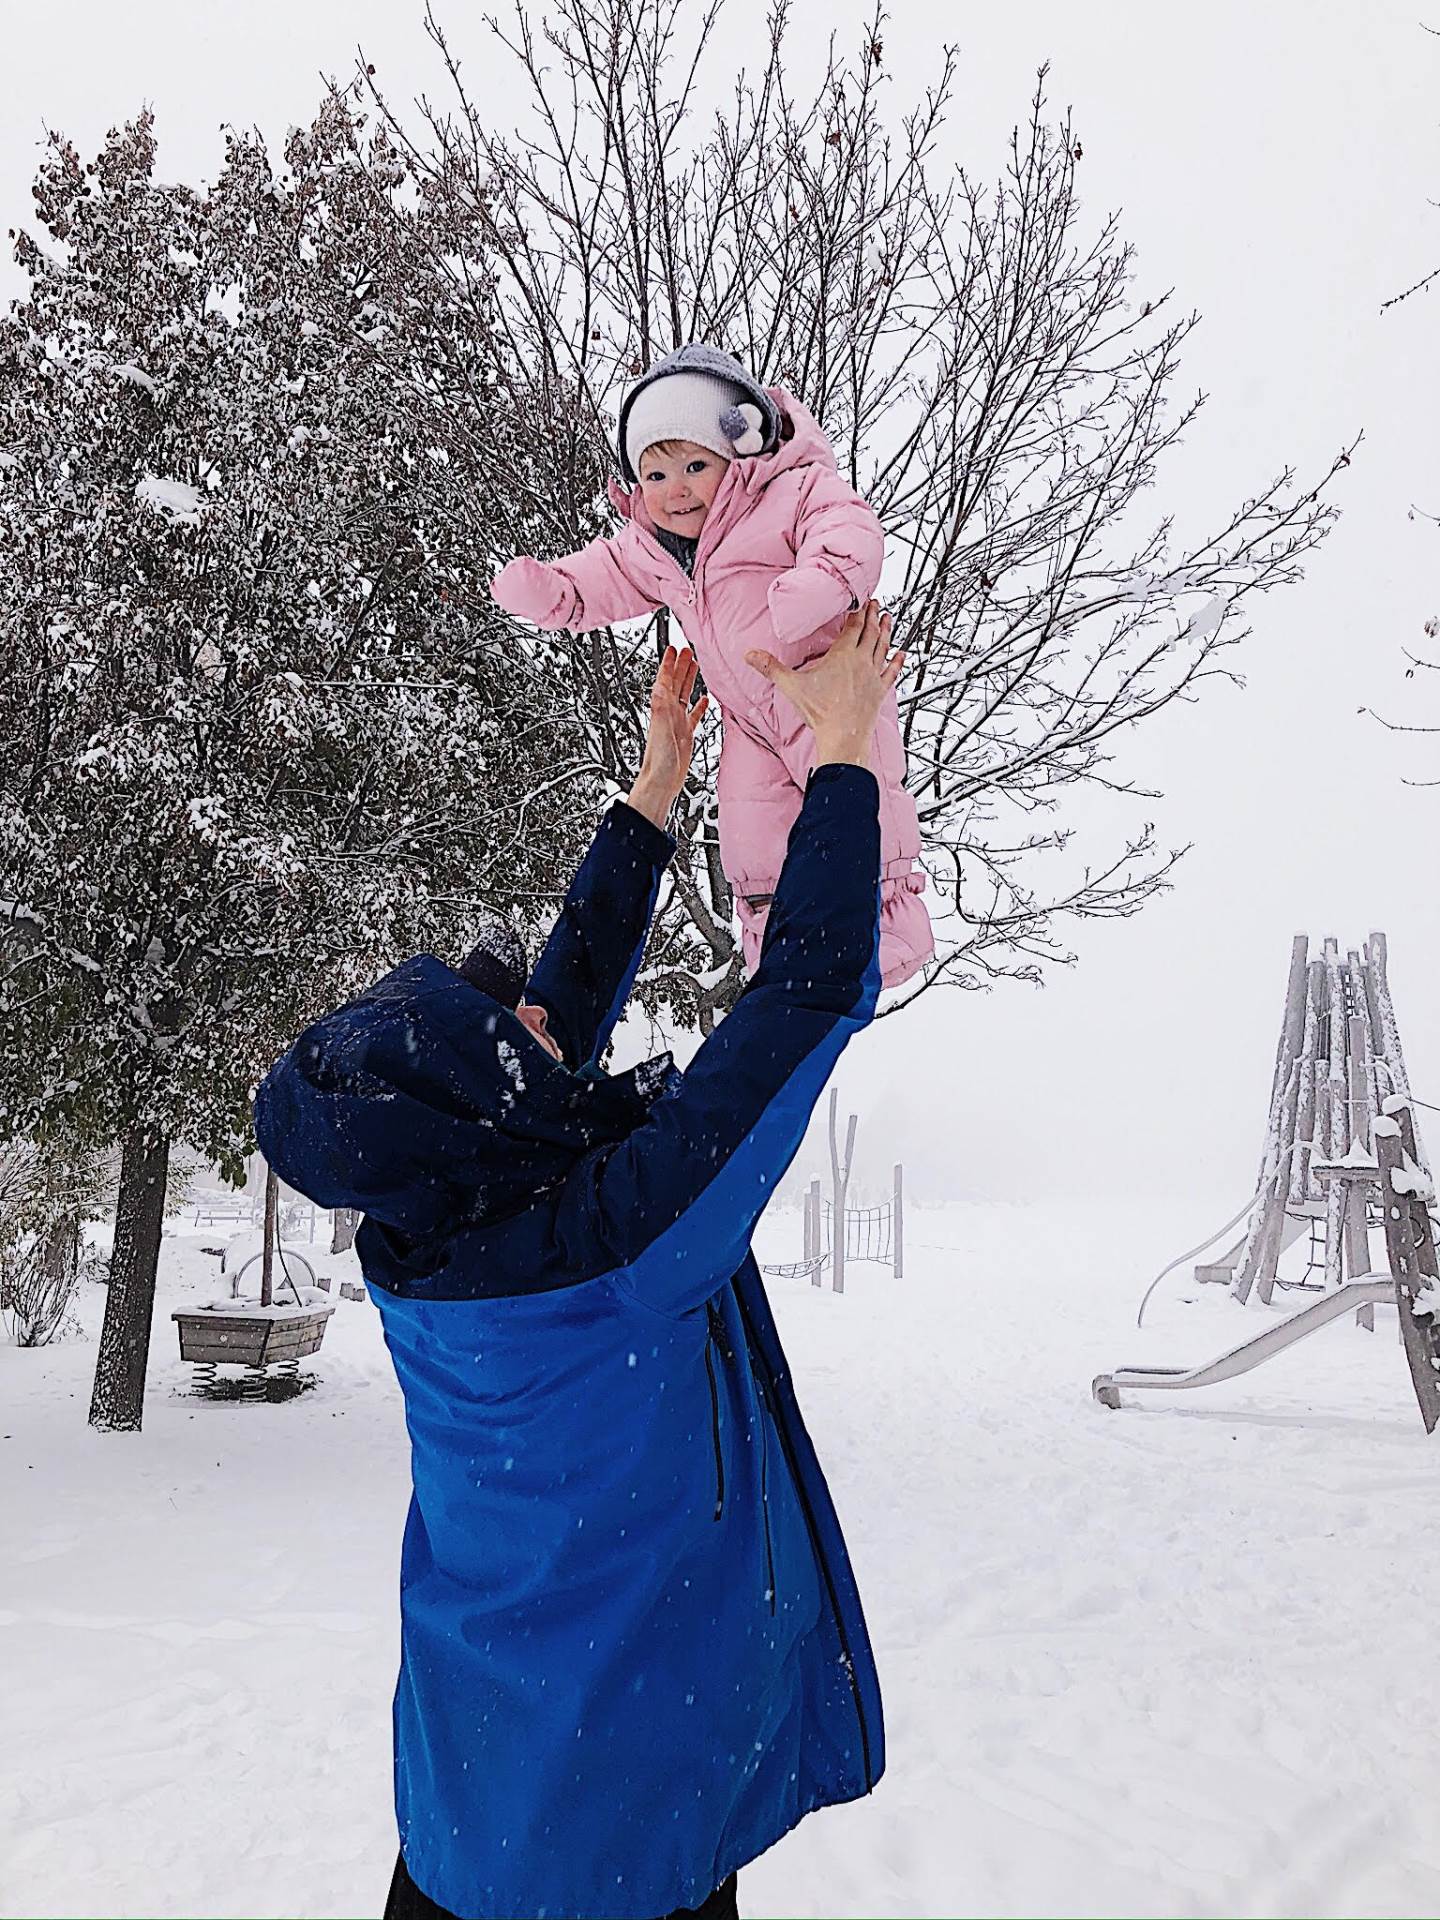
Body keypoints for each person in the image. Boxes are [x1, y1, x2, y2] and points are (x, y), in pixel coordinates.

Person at [253, 603, 904, 1920]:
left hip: (477, 1807)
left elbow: (542, 1040)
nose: (542, 1013)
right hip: (610, 1844)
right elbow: (809, 992)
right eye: (509, 1030)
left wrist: (653, 798)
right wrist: (846, 757)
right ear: (483, 1110)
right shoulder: (618, 1249)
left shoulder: (429, 1231)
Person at [490, 341, 934, 989]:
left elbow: (849, 528)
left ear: (738, 449)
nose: (676, 492)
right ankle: (773, 947)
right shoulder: (659, 550)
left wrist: (817, 584)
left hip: (826, 686)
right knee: (751, 827)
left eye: (695, 464)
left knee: (851, 795)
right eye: (656, 476)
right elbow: (604, 577)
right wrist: (553, 592)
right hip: (749, 716)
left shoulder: (789, 490)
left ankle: (886, 922)